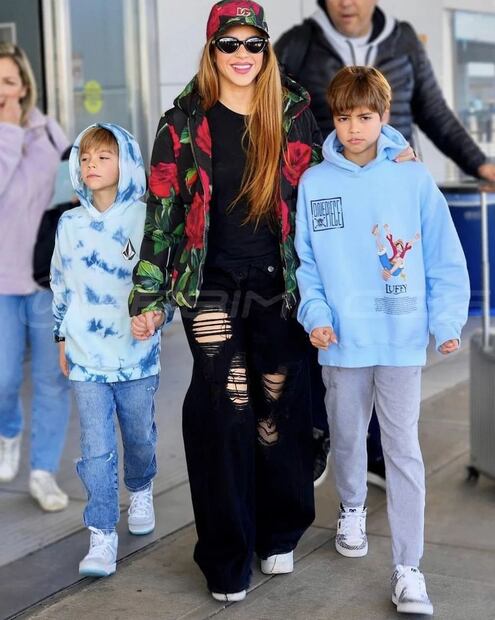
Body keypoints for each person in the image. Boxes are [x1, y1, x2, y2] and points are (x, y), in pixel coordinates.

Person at [129, 0, 320, 602]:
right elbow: (162, 214)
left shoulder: (293, 113)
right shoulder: (182, 123)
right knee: (226, 410)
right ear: (211, 51)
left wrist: (391, 150)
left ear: (266, 50)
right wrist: (148, 294)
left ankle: (278, 531)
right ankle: (226, 557)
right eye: (229, 44)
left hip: (280, 284)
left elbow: (332, 182)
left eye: (253, 44)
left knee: (275, 411)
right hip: (210, 285)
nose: (242, 55)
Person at [275, 0, 495, 489]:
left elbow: (434, 112)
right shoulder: (298, 43)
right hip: (327, 191)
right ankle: (327, 437)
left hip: (389, 189)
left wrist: (481, 164)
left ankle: (374, 454)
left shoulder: (403, 40)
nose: (346, 2)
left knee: (387, 340)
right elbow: (275, 114)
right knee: (330, 325)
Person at [295, 66, 470, 616]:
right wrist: (315, 315)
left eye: (365, 117)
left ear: (384, 116)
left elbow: (443, 255)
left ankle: (409, 568)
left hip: (399, 338)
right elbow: (306, 264)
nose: (353, 128)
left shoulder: (411, 178)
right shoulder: (315, 183)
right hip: (342, 341)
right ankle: (351, 506)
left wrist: (446, 322)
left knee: (403, 450)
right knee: (347, 437)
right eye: (344, 117)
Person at [51, 124, 164, 577]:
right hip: (86, 356)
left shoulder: (146, 218)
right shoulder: (69, 225)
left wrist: (155, 317)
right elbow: (60, 284)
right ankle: (101, 533)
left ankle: (141, 486)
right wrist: (61, 337)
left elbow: (163, 283)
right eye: (85, 158)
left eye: (103, 157)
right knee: (95, 449)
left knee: (139, 436)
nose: (91, 165)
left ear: (126, 163)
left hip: (137, 356)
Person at [0, 43, 70, 511]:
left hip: (46, 281)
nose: (3, 91)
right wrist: (7, 132)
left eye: (9, 81)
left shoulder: (49, 132)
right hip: (2, 282)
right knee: (3, 378)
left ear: (25, 85)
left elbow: (70, 196)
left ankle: (43, 472)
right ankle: (8, 431)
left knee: (51, 380)